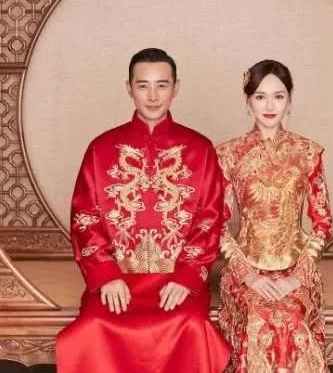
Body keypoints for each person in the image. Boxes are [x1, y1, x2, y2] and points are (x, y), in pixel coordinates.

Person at [57, 48, 231, 373]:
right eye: (143, 85)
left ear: (176, 88)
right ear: (129, 88)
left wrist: (186, 278)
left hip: (176, 282)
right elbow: (85, 219)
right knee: (93, 326)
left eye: (162, 85)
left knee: (191, 325)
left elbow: (210, 219)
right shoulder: (101, 149)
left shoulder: (200, 148)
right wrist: (106, 276)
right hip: (118, 282)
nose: (153, 96)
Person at [216, 59, 333, 373]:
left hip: (296, 268)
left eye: (278, 96)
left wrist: (298, 276)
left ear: (289, 100)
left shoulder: (308, 152)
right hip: (246, 271)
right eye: (260, 97)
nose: (270, 106)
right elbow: (217, 224)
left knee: (289, 319)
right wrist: (248, 276)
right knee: (259, 317)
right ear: (248, 101)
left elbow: (323, 223)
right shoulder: (229, 154)